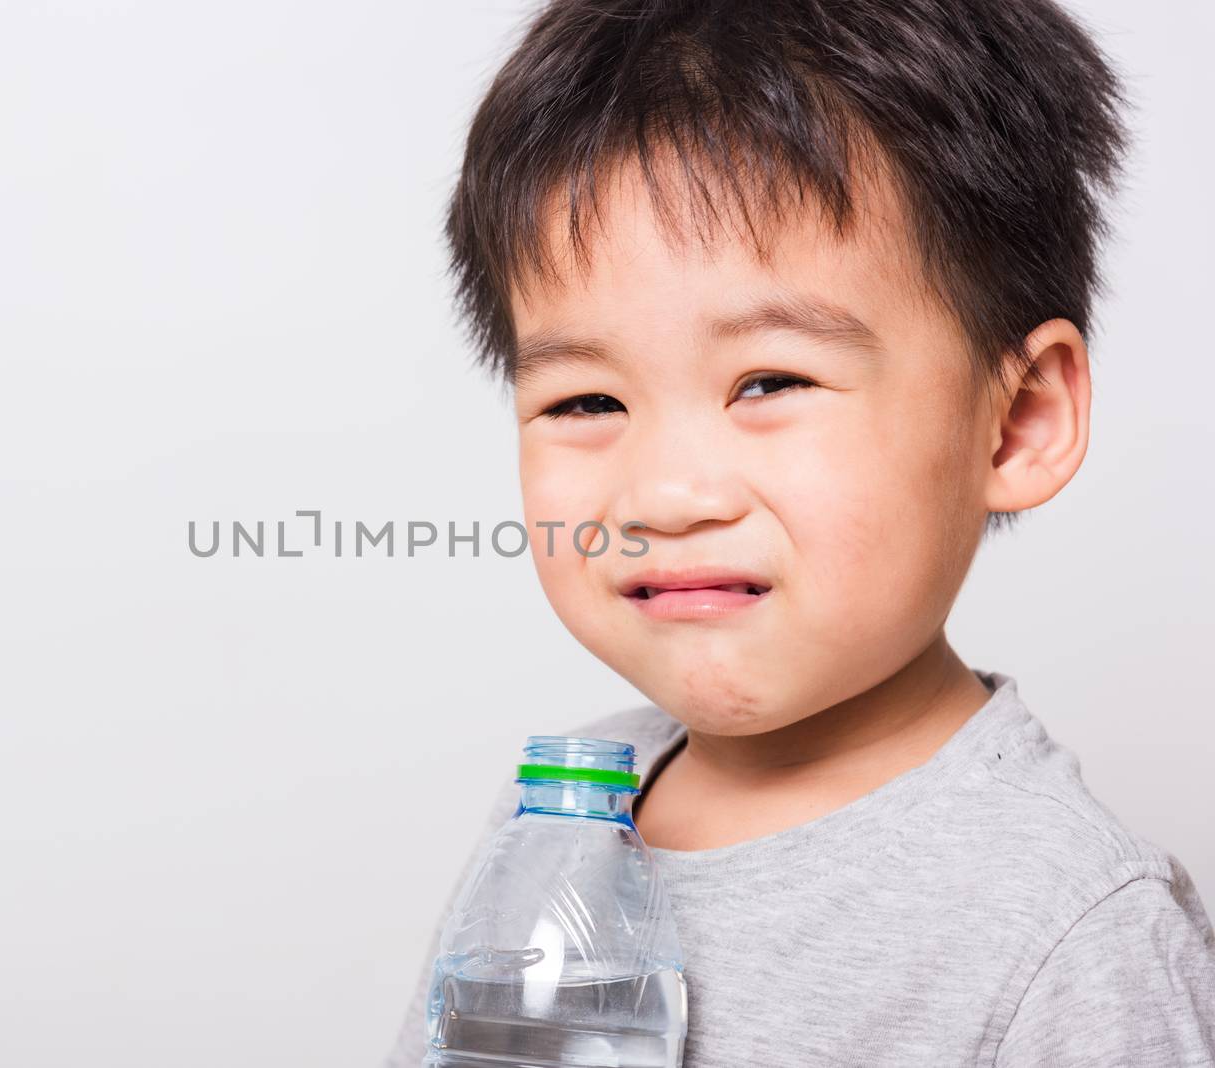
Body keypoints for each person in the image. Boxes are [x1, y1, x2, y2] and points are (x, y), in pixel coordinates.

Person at [385, 1, 1215, 1064]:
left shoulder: (1071, 929)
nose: (665, 494)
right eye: (585, 402)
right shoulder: (566, 814)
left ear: (1014, 423)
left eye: (769, 380)